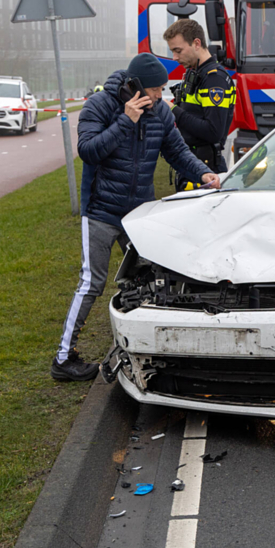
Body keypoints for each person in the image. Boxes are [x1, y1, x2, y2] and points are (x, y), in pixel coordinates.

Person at [51, 53, 220, 381]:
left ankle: (150, 347)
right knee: (91, 283)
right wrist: (125, 121)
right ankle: (63, 359)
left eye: (162, 89)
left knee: (150, 279)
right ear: (136, 86)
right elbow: (88, 151)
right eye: (156, 89)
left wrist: (203, 173)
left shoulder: (160, 112)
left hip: (139, 214)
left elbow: (176, 151)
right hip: (100, 211)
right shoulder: (100, 105)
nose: (160, 95)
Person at [165, 19, 235, 191]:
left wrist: (173, 111)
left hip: (207, 170)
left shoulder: (214, 79)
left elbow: (213, 132)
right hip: (192, 165)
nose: (175, 58)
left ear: (196, 43)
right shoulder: (195, 73)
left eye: (178, 51)